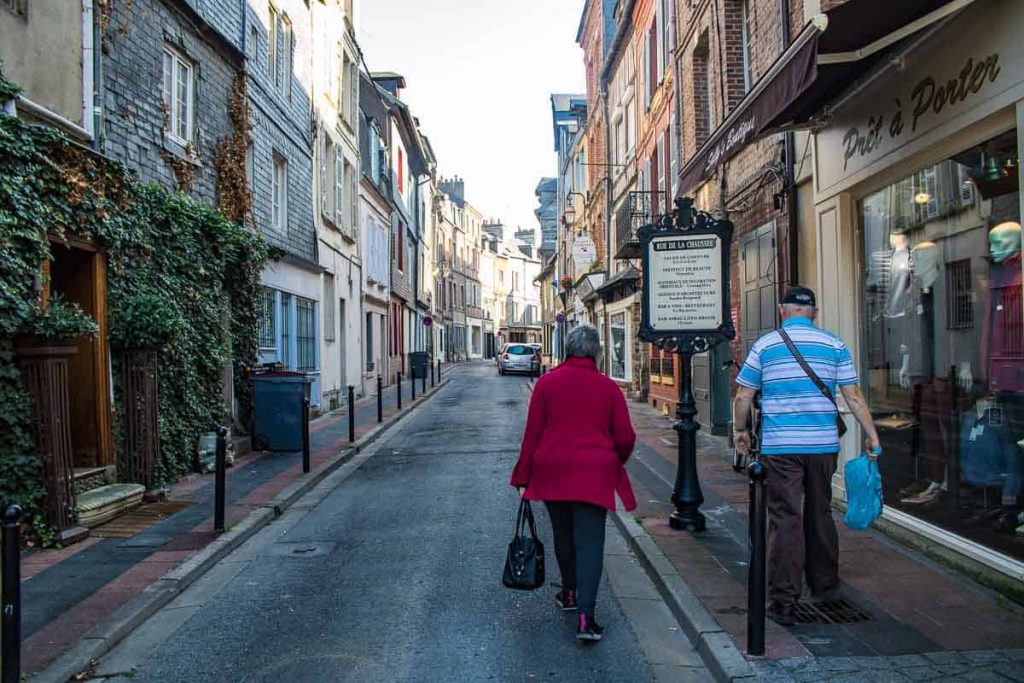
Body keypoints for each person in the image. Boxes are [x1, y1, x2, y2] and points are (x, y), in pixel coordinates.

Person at [732, 286, 881, 625]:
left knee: (785, 518)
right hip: (822, 446)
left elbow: (744, 395)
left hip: (781, 448)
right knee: (820, 513)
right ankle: (826, 588)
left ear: (783, 311)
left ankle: (784, 598)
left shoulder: (765, 346)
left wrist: (740, 431)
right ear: (815, 312)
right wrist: (872, 435)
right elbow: (854, 397)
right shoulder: (834, 345)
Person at [510, 324, 636, 642]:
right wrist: (613, 460)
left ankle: (568, 593)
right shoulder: (608, 388)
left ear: (567, 349)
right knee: (590, 543)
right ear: (596, 352)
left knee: (563, 535)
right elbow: (625, 437)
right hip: (592, 474)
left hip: (552, 471)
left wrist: (523, 476)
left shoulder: (546, 384)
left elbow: (532, 435)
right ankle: (586, 618)